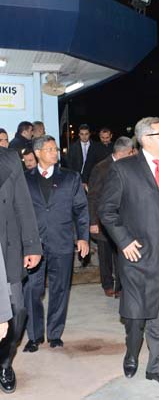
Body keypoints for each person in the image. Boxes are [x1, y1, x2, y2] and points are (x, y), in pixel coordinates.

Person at [98, 117, 159, 387]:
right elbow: (106, 210)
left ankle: (155, 366)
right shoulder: (124, 169)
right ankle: (132, 352)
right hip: (136, 255)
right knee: (136, 314)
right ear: (146, 139)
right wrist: (124, 241)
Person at [23, 135, 89, 351]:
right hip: (33, 246)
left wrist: (83, 237)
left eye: (56, 149)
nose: (55, 152)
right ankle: (34, 336)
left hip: (62, 243)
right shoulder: (24, 179)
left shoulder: (71, 178)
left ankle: (54, 334)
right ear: (38, 152)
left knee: (60, 289)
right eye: (50, 149)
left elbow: (81, 209)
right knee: (32, 289)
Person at [0, 146, 42, 394]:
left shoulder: (8, 159)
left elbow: (23, 204)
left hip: (7, 250)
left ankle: (5, 362)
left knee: (16, 313)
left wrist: (32, 245)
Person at [87, 137, 134, 297]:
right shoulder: (101, 168)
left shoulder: (128, 166)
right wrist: (93, 221)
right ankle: (107, 284)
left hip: (122, 219)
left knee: (120, 254)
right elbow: (93, 196)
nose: (133, 155)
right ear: (123, 152)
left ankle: (120, 287)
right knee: (105, 255)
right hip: (102, 220)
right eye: (131, 152)